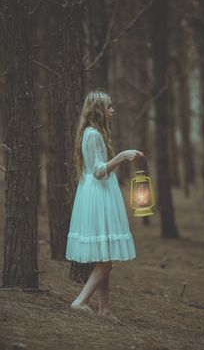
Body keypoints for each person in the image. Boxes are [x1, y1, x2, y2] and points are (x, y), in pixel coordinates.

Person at [65, 89, 144, 322]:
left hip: (98, 194)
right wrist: (122, 156)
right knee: (106, 261)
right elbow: (99, 171)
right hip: (98, 195)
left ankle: (105, 309)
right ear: (98, 110)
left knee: (104, 256)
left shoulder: (94, 134)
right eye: (109, 106)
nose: (113, 110)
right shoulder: (92, 135)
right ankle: (80, 301)